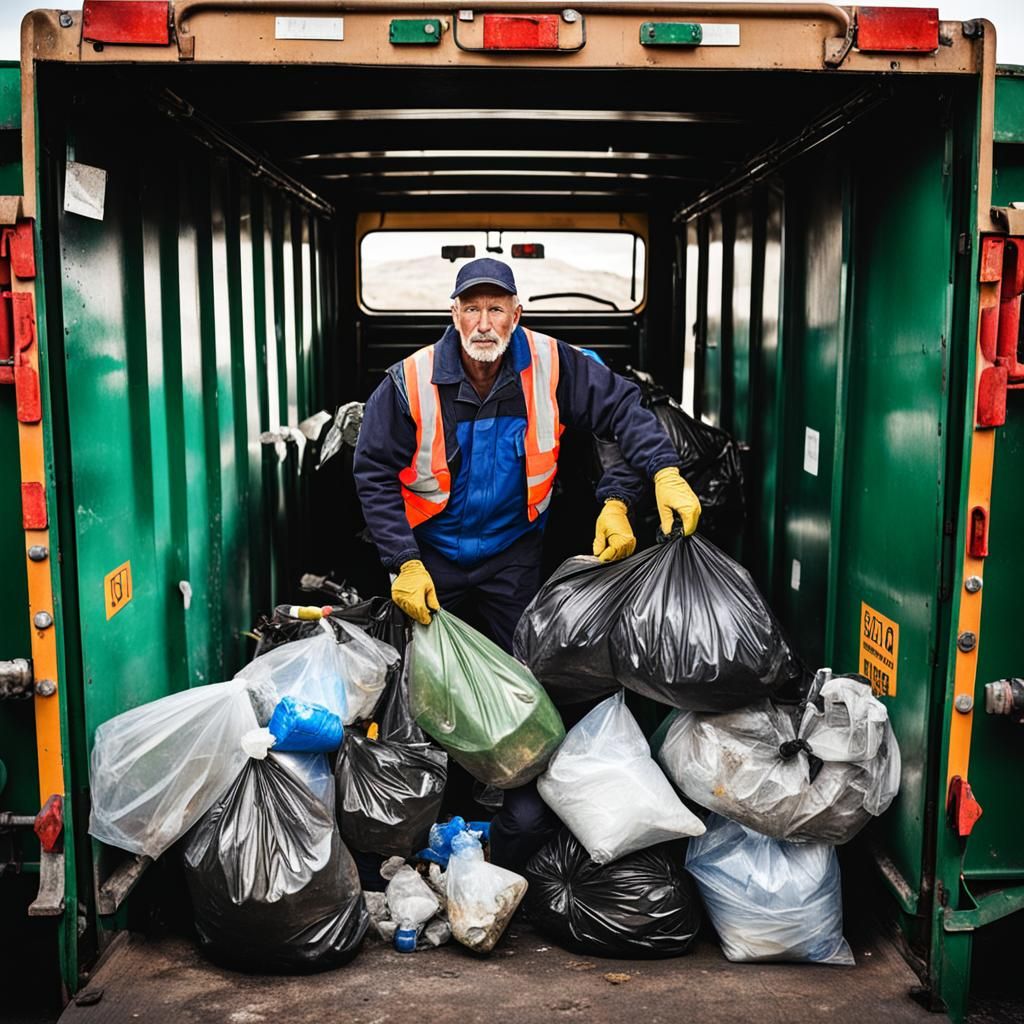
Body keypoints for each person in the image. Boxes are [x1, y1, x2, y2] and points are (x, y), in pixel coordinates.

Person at [353, 257, 701, 870]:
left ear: (517, 314)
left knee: (522, 686)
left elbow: (622, 411)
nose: (483, 323)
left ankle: (512, 808)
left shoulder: (551, 363)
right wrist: (402, 561)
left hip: (514, 554)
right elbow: (373, 471)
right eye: (472, 308)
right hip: (432, 558)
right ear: (453, 313)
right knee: (429, 693)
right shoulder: (409, 381)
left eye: (496, 309)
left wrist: (660, 475)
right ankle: (432, 815)